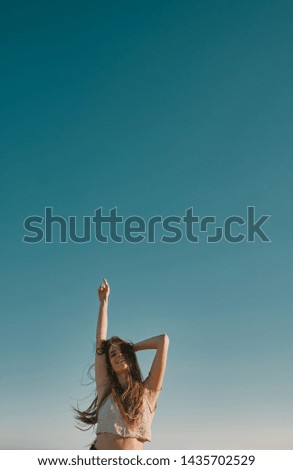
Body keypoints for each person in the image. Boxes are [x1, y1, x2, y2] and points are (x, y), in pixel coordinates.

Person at [75, 278, 169, 450]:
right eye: (113, 354)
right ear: (109, 363)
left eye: (122, 352)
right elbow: (100, 343)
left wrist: (132, 348)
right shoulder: (105, 389)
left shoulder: (148, 392)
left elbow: (163, 341)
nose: (118, 355)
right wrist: (104, 302)